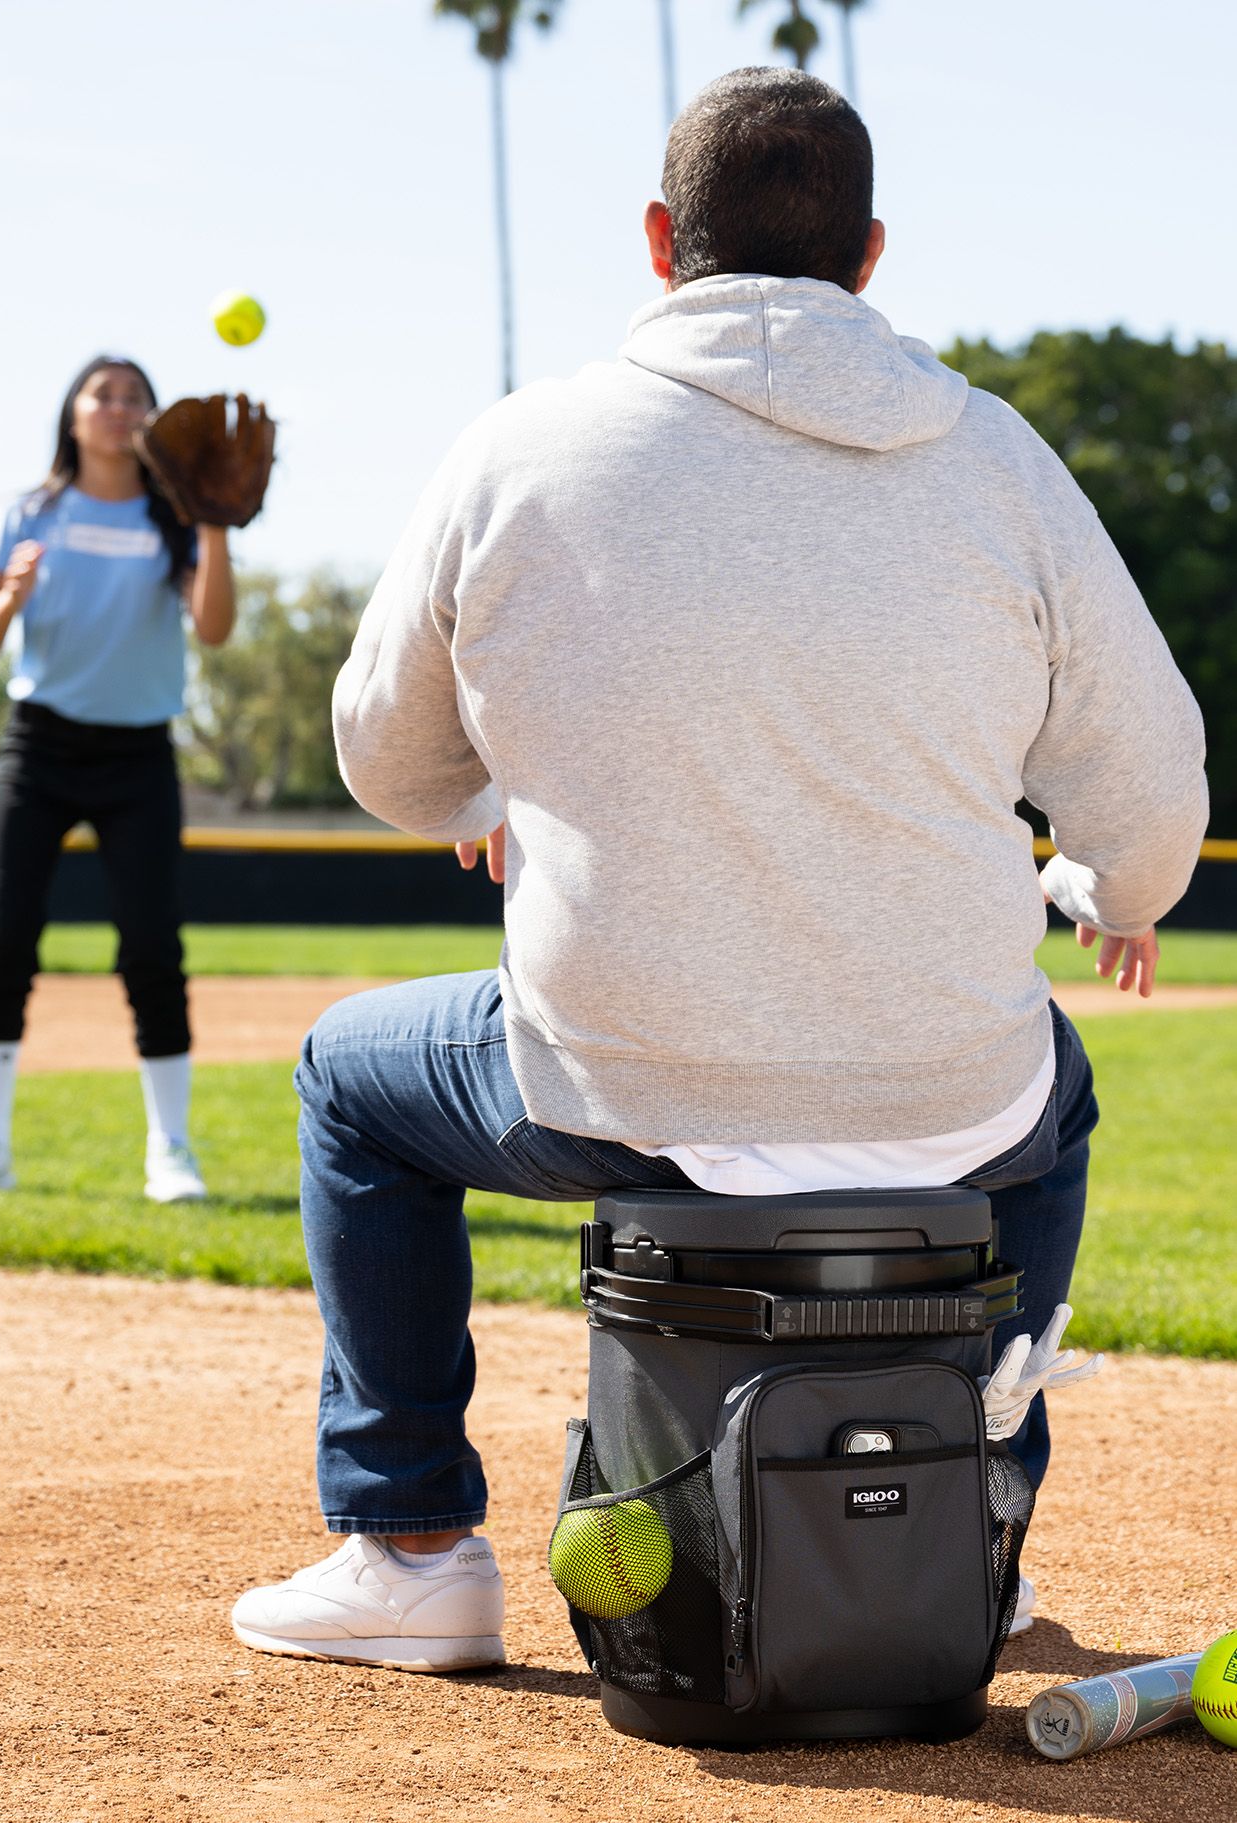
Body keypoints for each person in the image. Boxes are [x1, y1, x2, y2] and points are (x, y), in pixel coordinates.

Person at [231, 69, 1207, 1670]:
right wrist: (1124, 891)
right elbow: (1151, 807)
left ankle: (409, 1545)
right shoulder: (1000, 461)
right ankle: (979, 1529)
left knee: (349, 1079)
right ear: (871, 254)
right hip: (946, 1093)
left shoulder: (519, 446)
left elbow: (385, 765)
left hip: (620, 1086)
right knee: (1058, 1092)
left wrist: (487, 777)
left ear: (658, 239)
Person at [0, 356, 237, 1203]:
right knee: (2, 939)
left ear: (150, 420)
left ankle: (169, 1153)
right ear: (71, 415)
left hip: (138, 753)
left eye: (134, 396)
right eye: (101, 394)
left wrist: (213, 525)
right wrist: (11, 598)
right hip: (39, 746)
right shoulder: (29, 514)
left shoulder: (174, 518)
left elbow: (212, 629)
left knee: (151, 946)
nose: (118, 408)